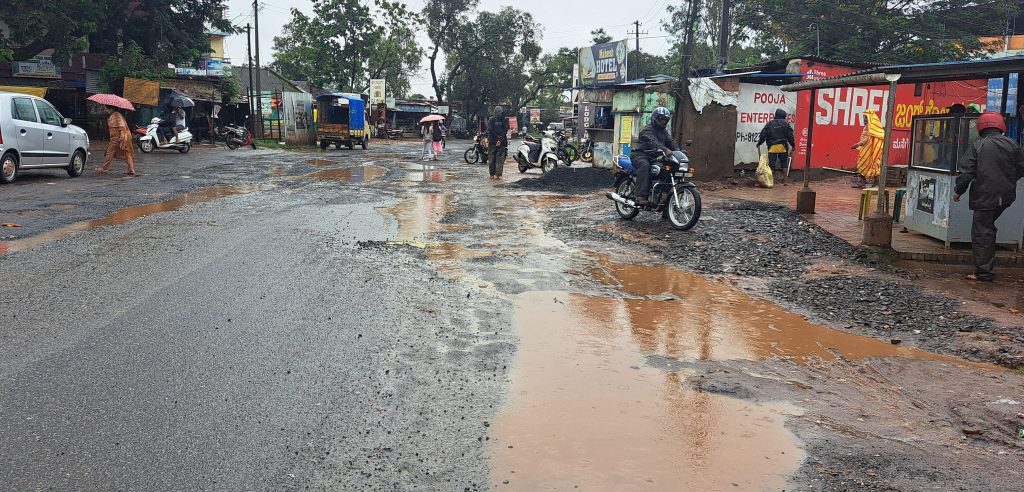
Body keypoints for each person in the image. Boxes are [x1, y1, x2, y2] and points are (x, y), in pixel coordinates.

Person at [953, 112, 1024, 282]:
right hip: (1005, 196)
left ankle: (983, 273)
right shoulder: (1012, 144)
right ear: (1001, 127)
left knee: (982, 233)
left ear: (981, 128)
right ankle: (984, 267)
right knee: (987, 227)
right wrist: (1008, 180)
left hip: (985, 196)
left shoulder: (978, 145)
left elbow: (966, 172)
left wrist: (958, 191)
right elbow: (1021, 168)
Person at [631, 106, 679, 206]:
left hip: (654, 157)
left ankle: (664, 200)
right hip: (640, 155)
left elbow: (671, 142)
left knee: (665, 169)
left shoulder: (663, 132)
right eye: (661, 119)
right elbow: (654, 142)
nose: (663, 121)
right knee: (645, 166)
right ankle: (640, 196)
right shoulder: (647, 130)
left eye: (666, 120)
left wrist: (679, 151)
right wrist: (665, 149)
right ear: (655, 118)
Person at [756, 108, 795, 184]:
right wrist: (793, 145)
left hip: (772, 146)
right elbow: (790, 136)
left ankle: (770, 181)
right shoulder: (786, 124)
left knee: (772, 165)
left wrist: (759, 143)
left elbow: (763, 134)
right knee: (784, 164)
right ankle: (785, 181)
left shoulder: (770, 124)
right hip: (783, 146)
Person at [851, 109, 884, 188]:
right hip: (865, 149)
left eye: (866, 118)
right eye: (864, 118)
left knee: (872, 164)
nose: (864, 120)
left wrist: (857, 144)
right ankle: (862, 182)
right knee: (863, 163)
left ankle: (874, 182)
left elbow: (868, 139)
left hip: (871, 150)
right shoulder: (868, 126)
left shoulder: (871, 127)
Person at [98, 108, 136, 176]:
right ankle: (131, 169)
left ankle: (104, 168)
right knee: (127, 153)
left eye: (107, 108)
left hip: (119, 137)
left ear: (111, 109)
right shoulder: (114, 115)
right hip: (121, 137)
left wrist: (122, 137)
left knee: (110, 151)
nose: (107, 110)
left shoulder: (116, 115)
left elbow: (121, 126)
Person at [487, 106, 509, 179]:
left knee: (496, 159)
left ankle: (496, 175)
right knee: (493, 159)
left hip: (498, 141)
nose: (500, 114)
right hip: (496, 141)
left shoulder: (501, 120)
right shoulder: (493, 119)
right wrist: (499, 139)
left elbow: (505, 130)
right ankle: (494, 175)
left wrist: (499, 140)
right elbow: (491, 130)